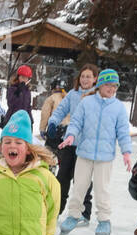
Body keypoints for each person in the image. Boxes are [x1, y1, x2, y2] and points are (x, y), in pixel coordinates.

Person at [58, 68, 133, 235]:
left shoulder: (119, 108)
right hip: (84, 154)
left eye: (115, 86)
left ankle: (104, 221)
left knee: (102, 190)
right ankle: (74, 215)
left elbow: (123, 132)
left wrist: (126, 152)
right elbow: (76, 122)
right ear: (100, 85)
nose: (112, 88)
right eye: (109, 85)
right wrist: (71, 135)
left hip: (104, 158)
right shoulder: (87, 102)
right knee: (79, 187)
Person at [45, 63, 98, 223]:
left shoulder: (98, 96)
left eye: (89, 76)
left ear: (95, 79)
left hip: (86, 146)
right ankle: (56, 210)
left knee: (82, 180)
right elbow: (61, 110)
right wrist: (53, 122)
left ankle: (84, 213)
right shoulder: (73, 94)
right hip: (69, 143)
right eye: (83, 76)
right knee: (62, 178)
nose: (85, 79)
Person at [38, 79, 67, 152]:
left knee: (50, 152)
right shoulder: (68, 98)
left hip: (54, 129)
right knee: (63, 154)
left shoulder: (51, 98)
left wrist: (42, 129)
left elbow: (45, 114)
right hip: (66, 130)